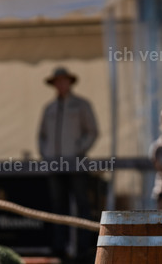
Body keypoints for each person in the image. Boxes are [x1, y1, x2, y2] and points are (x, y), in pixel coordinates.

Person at [37, 66, 98, 260]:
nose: (61, 84)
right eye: (58, 81)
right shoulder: (49, 108)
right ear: (54, 84)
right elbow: (42, 135)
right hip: (54, 164)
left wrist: (78, 150)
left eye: (64, 80)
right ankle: (60, 249)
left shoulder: (81, 105)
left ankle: (83, 249)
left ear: (70, 82)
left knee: (81, 205)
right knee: (58, 207)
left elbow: (92, 131)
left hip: (76, 163)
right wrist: (47, 154)